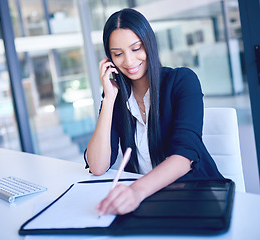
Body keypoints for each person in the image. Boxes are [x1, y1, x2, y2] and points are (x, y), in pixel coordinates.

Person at [85, 8, 224, 216]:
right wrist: (109, 98)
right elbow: (97, 166)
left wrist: (136, 192)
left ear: (149, 43)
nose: (129, 61)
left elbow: (184, 155)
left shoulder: (183, 81)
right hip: (148, 203)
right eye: (118, 54)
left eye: (136, 48)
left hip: (194, 195)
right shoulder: (117, 98)